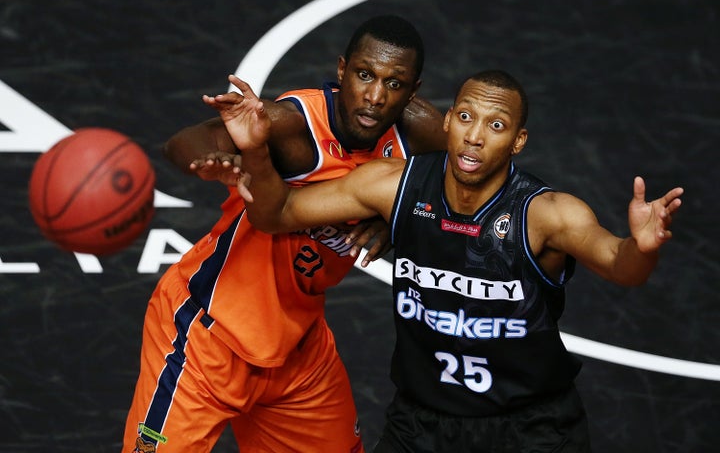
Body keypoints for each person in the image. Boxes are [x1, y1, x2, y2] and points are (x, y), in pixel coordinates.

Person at [207, 70, 684, 452]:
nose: (475, 137)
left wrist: (640, 247)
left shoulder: (547, 214)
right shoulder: (394, 185)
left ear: (517, 141)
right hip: (420, 425)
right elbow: (278, 214)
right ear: (449, 120)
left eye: (495, 126)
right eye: (467, 118)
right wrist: (254, 150)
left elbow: (621, 267)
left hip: (531, 429)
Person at [123, 15, 446, 453]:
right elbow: (184, 142)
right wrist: (218, 161)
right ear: (341, 70)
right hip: (205, 338)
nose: (373, 96)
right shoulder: (296, 128)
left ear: (413, 91)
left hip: (297, 351)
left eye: (393, 83)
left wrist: (397, 219)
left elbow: (470, 184)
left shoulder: (421, 136)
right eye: (364, 75)